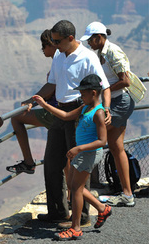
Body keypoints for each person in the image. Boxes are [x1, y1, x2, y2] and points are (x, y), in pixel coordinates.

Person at [22, 20, 111, 225]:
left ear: (70, 38)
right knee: (52, 162)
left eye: (57, 40)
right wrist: (32, 100)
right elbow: (52, 83)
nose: (53, 44)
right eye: (52, 40)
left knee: (78, 165)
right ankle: (57, 212)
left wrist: (105, 109)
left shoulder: (87, 57)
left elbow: (103, 86)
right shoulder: (59, 57)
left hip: (79, 112)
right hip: (60, 112)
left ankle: (85, 216)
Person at [34, 74, 112, 241]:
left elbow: (102, 141)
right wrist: (45, 105)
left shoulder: (98, 113)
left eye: (83, 93)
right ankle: (101, 207)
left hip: (88, 153)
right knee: (73, 185)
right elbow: (65, 116)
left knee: (75, 189)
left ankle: (75, 228)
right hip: (82, 153)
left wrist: (78, 148)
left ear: (93, 93)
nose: (80, 96)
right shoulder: (84, 108)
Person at [80, 22, 135, 206]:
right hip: (117, 101)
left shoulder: (112, 52)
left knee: (92, 137)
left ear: (98, 37)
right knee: (115, 146)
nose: (89, 43)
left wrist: (106, 90)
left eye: (90, 40)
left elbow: (125, 80)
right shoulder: (101, 52)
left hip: (120, 102)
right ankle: (127, 194)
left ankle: (80, 189)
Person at [6, 29, 58, 174]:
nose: (42, 49)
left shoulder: (58, 60)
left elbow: (52, 87)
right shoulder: (64, 58)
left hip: (54, 112)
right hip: (59, 110)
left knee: (16, 117)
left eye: (44, 44)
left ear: (52, 44)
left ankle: (28, 162)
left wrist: (31, 101)